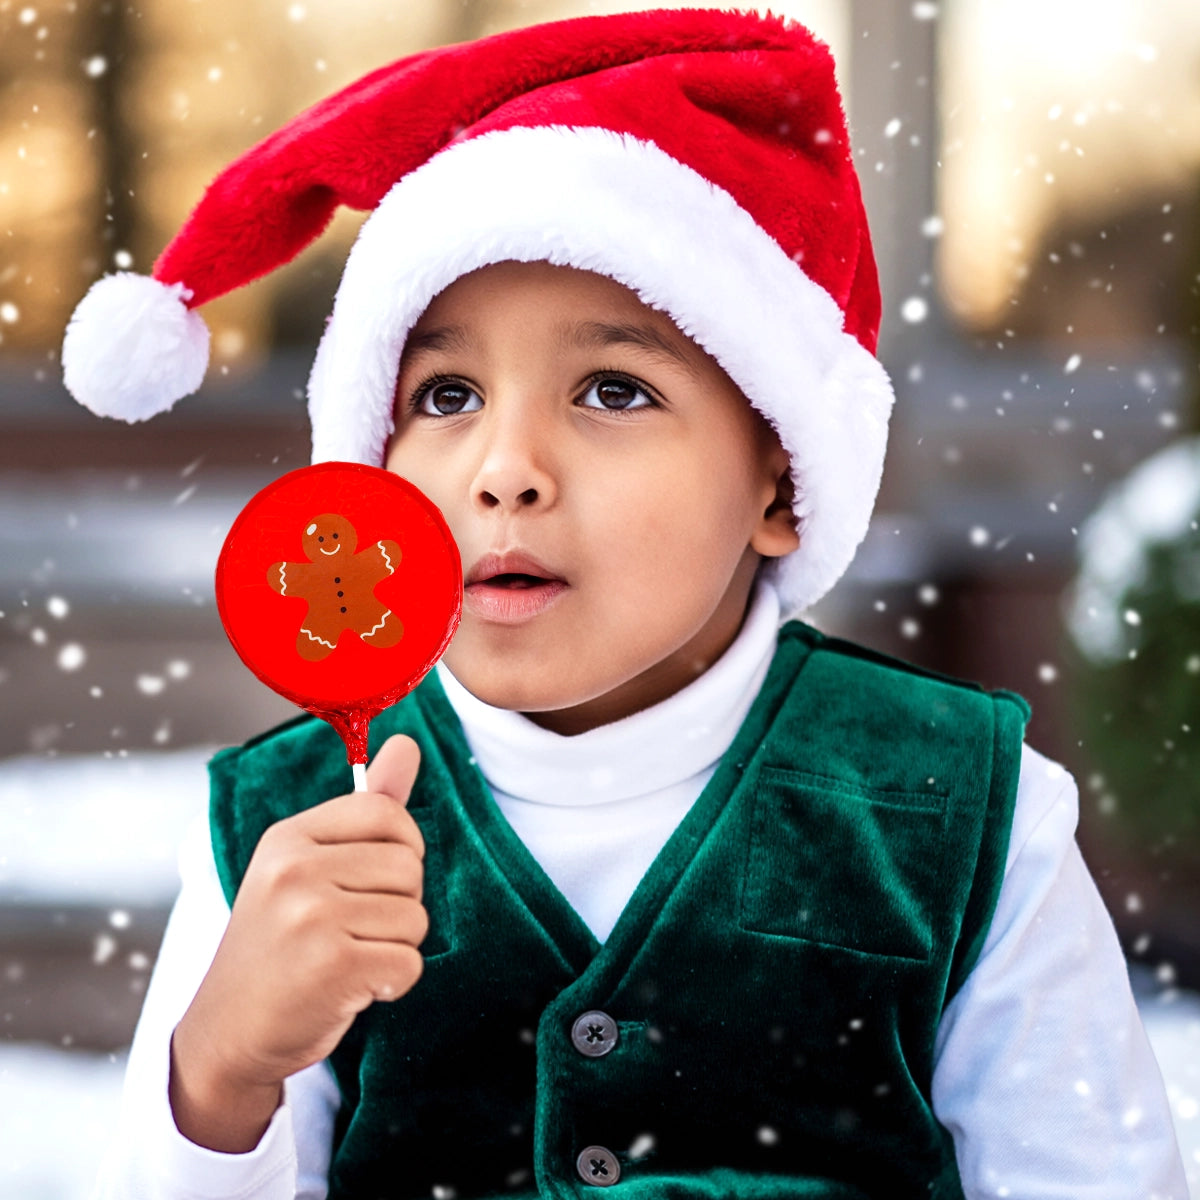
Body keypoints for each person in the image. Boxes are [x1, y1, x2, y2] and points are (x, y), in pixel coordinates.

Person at [62, 9, 1187, 1199]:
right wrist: (224, 1073)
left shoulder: (969, 820)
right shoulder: (274, 838)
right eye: (445, 395)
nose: (507, 467)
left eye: (611, 388)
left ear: (781, 482)